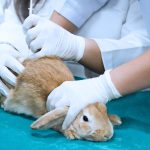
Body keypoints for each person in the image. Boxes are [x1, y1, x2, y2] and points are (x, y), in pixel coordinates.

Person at [0, 0, 150, 129]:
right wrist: (6, 45)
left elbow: (141, 48)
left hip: (123, 104)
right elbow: (15, 17)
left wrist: (79, 49)